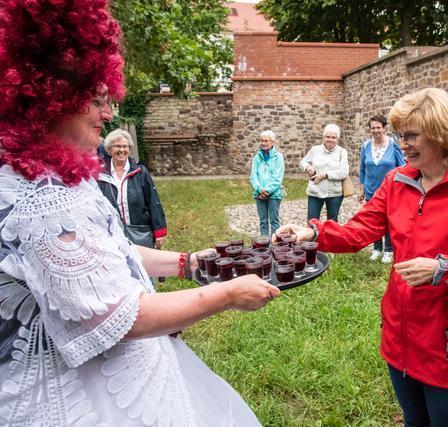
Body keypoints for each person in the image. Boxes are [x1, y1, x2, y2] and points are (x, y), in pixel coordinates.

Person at [0, 1, 280, 425]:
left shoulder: (57, 175)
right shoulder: (40, 200)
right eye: (97, 99)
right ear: (51, 98)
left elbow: (109, 253)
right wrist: (226, 294)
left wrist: (187, 263)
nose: (110, 112)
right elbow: (117, 317)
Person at [279, 88, 448, 427]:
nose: (402, 144)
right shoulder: (397, 181)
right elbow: (359, 231)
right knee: (413, 420)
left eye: (412, 135)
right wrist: (313, 233)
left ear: (439, 131)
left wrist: (442, 269)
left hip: (445, 343)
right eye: (401, 135)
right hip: (400, 334)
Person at [99, 129, 167, 249]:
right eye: (117, 146)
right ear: (109, 149)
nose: (121, 150)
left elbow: (153, 202)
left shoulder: (140, 172)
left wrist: (159, 232)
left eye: (125, 146)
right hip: (110, 232)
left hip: (139, 232)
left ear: (129, 149)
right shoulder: (101, 173)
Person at [358, 114, 405, 263]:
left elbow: (401, 167)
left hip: (390, 190)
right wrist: (362, 189)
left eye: (378, 127)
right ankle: (377, 248)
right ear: (370, 129)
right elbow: (362, 169)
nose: (376, 130)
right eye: (373, 128)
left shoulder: (393, 144)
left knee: (389, 220)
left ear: (384, 128)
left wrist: (401, 188)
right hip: (371, 191)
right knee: (374, 220)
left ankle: (389, 250)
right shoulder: (366, 146)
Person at [300, 124, 349, 222]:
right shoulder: (315, 150)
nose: (330, 139)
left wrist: (325, 175)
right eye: (328, 137)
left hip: (334, 193)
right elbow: (302, 162)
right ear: (323, 137)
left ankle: (329, 238)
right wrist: (308, 167)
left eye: (333, 137)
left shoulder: (342, 152)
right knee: (312, 222)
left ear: (338, 139)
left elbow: (344, 172)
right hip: (315, 191)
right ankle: (313, 237)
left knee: (332, 223)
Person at [249, 130, 285, 236]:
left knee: (274, 222)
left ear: (272, 141)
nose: (263, 143)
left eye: (266, 141)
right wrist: (260, 190)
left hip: (274, 194)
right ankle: (264, 247)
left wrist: (267, 191)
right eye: (261, 140)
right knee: (263, 222)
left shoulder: (278, 157)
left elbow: (277, 177)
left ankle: (275, 246)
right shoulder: (257, 157)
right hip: (259, 194)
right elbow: (253, 176)